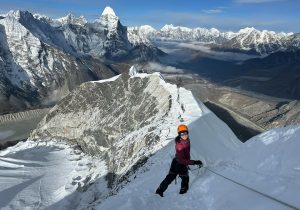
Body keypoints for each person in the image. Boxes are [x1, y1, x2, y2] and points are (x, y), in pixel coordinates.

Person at [155, 124, 203, 197]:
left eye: (185, 133)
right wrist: (194, 162)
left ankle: (159, 191)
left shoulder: (186, 140)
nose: (184, 135)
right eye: (182, 133)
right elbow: (182, 160)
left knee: (170, 177)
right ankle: (183, 194)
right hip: (180, 164)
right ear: (179, 134)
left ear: (187, 132)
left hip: (176, 161)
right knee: (185, 178)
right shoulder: (180, 145)